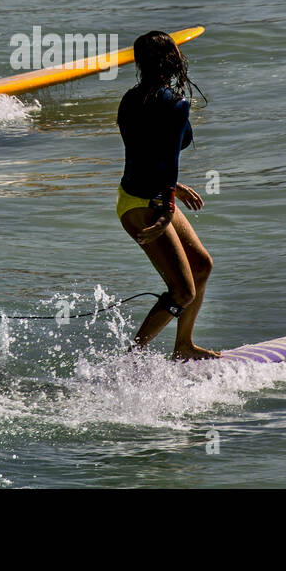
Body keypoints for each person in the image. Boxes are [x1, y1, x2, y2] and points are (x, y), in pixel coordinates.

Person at [115, 31, 219, 359]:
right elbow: (169, 158)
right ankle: (131, 357)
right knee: (183, 291)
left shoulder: (130, 99)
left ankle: (184, 346)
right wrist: (167, 203)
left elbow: (145, 155)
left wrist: (170, 188)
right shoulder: (176, 104)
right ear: (173, 60)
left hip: (134, 197)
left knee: (201, 265)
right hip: (148, 205)